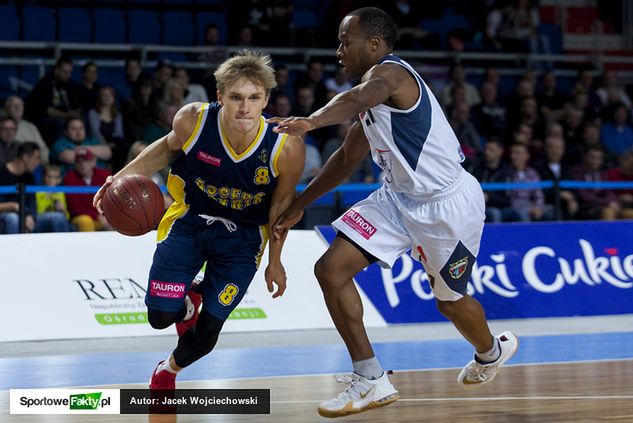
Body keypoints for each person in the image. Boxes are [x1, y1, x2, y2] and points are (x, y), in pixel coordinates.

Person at [269, 7, 518, 418]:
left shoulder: (393, 75)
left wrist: (310, 122)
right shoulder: (371, 101)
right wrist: (298, 205)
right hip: (396, 200)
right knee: (330, 269)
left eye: (344, 42)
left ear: (374, 44)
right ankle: (371, 378)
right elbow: (346, 158)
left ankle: (490, 351)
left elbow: (358, 96)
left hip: (447, 207)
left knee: (450, 303)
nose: (338, 52)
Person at [92, 50, 305, 392]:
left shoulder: (286, 147)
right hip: (190, 223)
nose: (245, 108)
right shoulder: (194, 119)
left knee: (207, 332)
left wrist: (275, 261)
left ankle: (169, 370)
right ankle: (189, 299)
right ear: (220, 96)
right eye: (236, 97)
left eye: (254, 98)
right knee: (160, 318)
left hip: (244, 240)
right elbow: (166, 148)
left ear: (266, 99)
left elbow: (281, 209)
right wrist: (118, 178)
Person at [64, 148, 112, 232]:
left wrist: (106, 215)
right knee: (85, 221)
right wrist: (97, 216)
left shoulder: (105, 176)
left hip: (103, 216)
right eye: (79, 161)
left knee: (117, 219)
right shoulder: (69, 178)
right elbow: (75, 209)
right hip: (82, 217)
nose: (82, 164)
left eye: (85, 160)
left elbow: (111, 200)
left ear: (93, 162)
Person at [0, 142, 40, 234]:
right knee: (13, 219)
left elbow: (32, 204)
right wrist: (14, 206)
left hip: (26, 216)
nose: (38, 163)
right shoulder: (2, 174)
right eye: (36, 158)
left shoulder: (30, 177)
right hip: (6, 217)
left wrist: (30, 217)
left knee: (56, 218)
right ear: (25, 157)